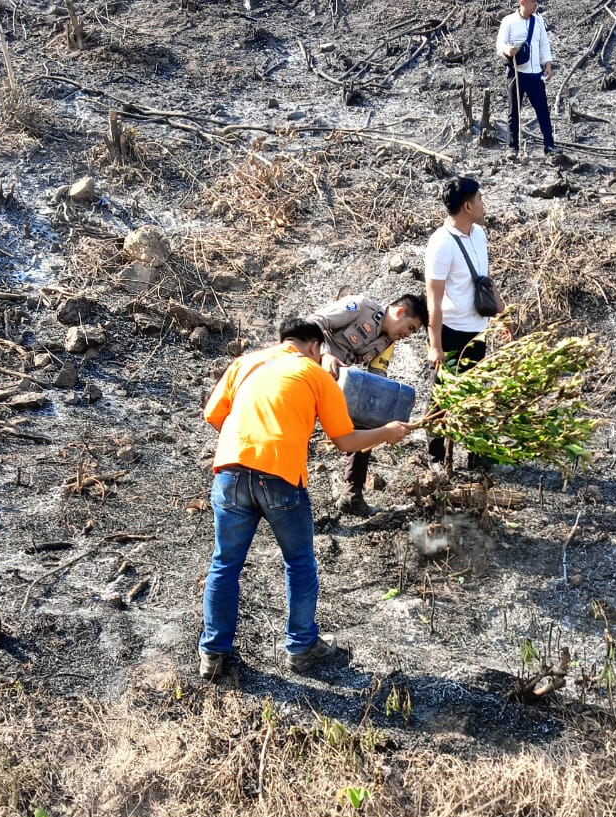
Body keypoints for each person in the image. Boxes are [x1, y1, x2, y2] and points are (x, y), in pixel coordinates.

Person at [197, 318, 411, 681]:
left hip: (230, 472)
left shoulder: (245, 362)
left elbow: (213, 415)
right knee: (299, 563)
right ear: (314, 346)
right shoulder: (313, 374)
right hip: (280, 477)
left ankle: (214, 655)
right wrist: (387, 433)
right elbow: (346, 441)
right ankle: (302, 649)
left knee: (225, 564)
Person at [308, 292, 428, 515]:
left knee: (369, 417)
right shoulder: (361, 307)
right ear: (400, 312)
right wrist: (325, 355)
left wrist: (387, 419)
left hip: (336, 385)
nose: (407, 335)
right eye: (410, 328)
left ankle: (352, 494)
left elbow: (377, 377)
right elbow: (314, 321)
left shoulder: (388, 343)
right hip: (308, 371)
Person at [423, 177, 506, 465]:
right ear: (468, 206)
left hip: (477, 329)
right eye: (480, 199)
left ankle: (476, 454)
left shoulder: (479, 234)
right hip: (451, 331)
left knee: (475, 391)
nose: (484, 204)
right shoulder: (441, 243)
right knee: (442, 395)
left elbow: (484, 278)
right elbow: (433, 299)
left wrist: (501, 311)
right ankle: (436, 455)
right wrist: (435, 345)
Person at [496, 0, 556, 160]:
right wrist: (507, 50)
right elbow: (499, 43)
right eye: (532, 2)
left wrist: (547, 64)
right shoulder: (508, 21)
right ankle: (512, 147)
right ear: (522, 2)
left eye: (536, 2)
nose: (535, 5)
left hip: (535, 73)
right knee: (513, 111)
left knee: (543, 110)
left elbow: (544, 43)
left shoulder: (539, 21)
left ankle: (549, 145)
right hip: (516, 73)